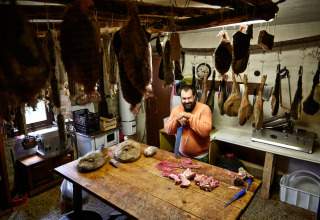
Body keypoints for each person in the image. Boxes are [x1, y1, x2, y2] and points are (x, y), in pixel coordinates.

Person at [165, 85, 212, 163]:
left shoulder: (204, 109)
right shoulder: (177, 109)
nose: (187, 101)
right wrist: (177, 120)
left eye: (189, 98)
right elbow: (168, 130)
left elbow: (205, 131)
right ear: (181, 98)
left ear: (194, 96)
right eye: (184, 98)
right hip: (180, 155)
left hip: (200, 158)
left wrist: (188, 116)